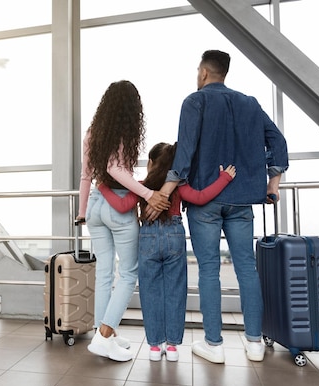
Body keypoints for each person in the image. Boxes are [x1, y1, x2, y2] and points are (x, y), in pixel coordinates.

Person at [150, 50, 289, 364]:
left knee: (209, 271)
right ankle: (254, 343)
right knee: (246, 270)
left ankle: (214, 344)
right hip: (242, 200)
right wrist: (273, 183)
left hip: (206, 200)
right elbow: (277, 141)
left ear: (203, 72)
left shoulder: (195, 101)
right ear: (225, 72)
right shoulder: (250, 103)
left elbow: (184, 153)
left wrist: (166, 190)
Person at [99, 142, 235, 361]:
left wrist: (103, 187)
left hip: (148, 239)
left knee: (150, 293)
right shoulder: (178, 186)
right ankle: (171, 347)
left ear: (151, 162)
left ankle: (154, 347)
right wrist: (224, 179)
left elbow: (123, 206)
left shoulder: (143, 186)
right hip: (175, 236)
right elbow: (201, 197)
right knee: (175, 292)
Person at [77, 80, 170, 362]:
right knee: (129, 273)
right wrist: (148, 193)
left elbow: (86, 175)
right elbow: (114, 168)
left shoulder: (93, 132)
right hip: (117, 205)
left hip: (95, 204)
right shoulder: (122, 132)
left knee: (105, 272)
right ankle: (104, 337)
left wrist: (82, 211)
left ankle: (103, 333)